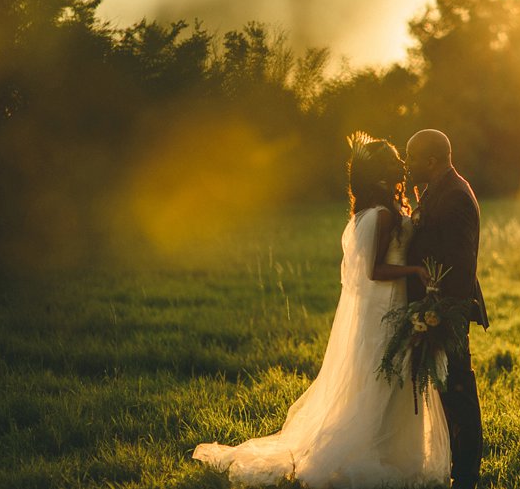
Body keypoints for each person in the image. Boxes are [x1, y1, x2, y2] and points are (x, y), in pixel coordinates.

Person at [192, 132, 450, 488]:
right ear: (379, 171)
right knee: (385, 377)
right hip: (386, 305)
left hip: (388, 305)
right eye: (393, 159)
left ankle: (392, 450)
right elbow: (373, 270)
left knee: (385, 379)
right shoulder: (382, 216)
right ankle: (372, 452)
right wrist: (416, 271)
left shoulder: (380, 210)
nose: (401, 164)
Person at [405, 129, 489, 489]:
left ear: (430, 161)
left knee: (458, 389)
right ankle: (455, 461)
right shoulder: (438, 188)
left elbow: (460, 266)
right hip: (437, 308)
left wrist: (440, 316)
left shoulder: (455, 197)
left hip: (448, 311)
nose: (406, 167)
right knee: (446, 389)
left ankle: (468, 472)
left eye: (411, 159)